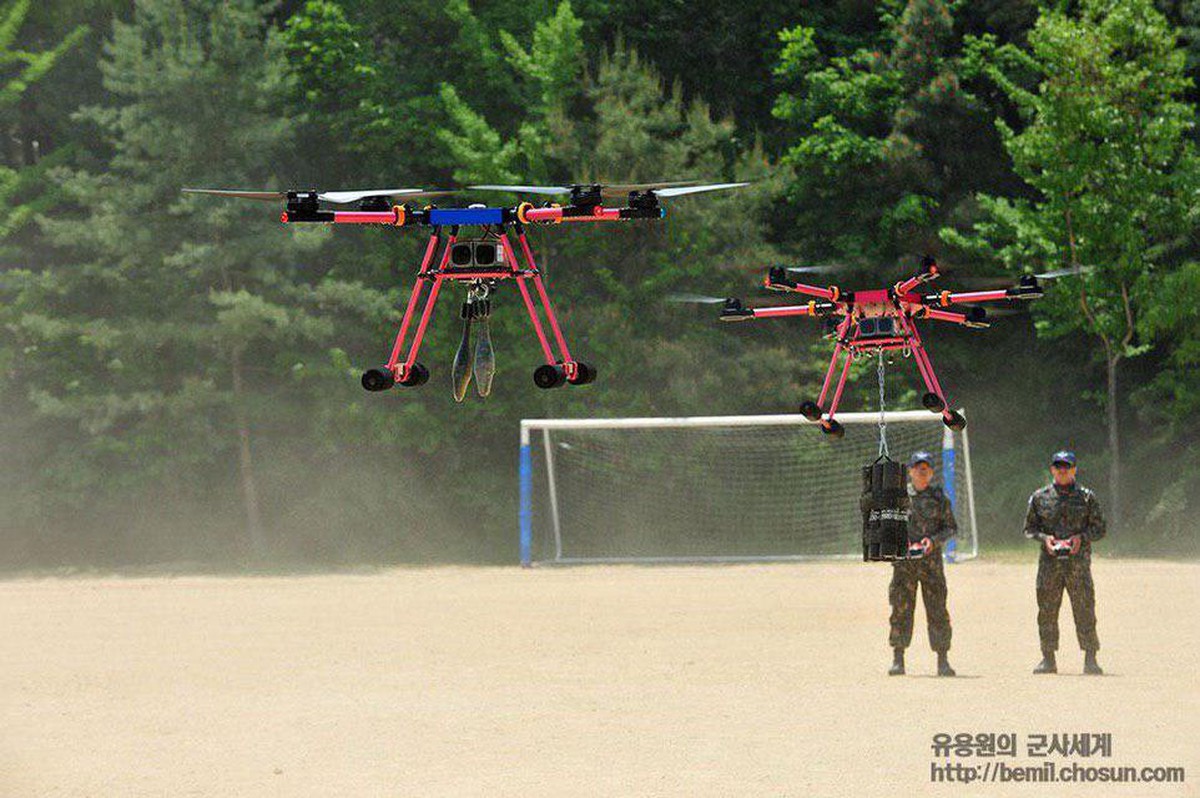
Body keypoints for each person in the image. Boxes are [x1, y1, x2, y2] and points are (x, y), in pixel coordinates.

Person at [1023, 450, 1106, 675]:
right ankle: (1048, 659)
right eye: (1058, 466)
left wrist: (1081, 538)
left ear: (1074, 470)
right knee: (1047, 611)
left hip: (1078, 566)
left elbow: (1100, 528)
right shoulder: (1040, 498)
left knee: (1085, 609)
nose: (1062, 470)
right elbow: (1030, 529)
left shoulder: (1087, 497)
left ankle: (1091, 658)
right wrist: (1045, 539)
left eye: (1066, 466)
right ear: (1052, 470)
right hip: (1049, 566)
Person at [888, 451, 957, 677]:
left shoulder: (939, 498)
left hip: (931, 565)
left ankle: (943, 660)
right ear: (910, 471)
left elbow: (951, 528)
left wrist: (933, 541)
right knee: (901, 610)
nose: (922, 471)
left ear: (931, 472)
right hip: (904, 566)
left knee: (937, 610)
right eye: (918, 467)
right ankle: (898, 659)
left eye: (926, 467)